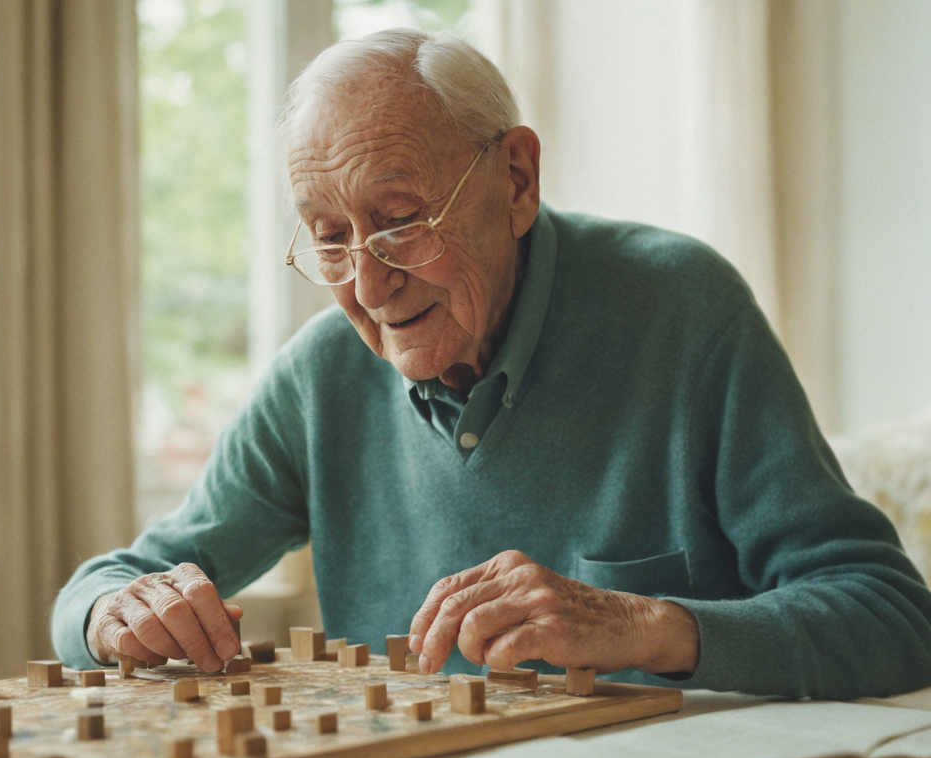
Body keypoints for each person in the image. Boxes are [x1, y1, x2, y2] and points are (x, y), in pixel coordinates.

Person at [52, 28, 931, 698]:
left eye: (400, 221)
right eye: (329, 239)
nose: (368, 283)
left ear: (516, 178)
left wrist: (648, 627)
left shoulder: (684, 309)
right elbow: (117, 580)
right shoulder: (319, 377)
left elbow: (892, 616)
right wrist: (110, 613)